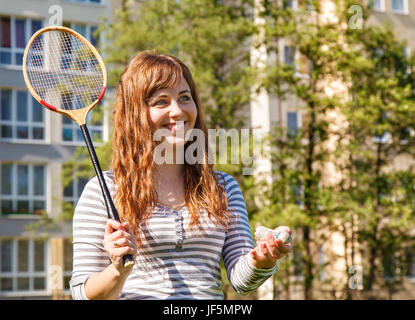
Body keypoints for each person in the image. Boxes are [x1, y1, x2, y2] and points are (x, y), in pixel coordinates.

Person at [70, 51, 293, 300]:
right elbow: (82, 293)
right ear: (134, 114)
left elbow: (242, 281)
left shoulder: (223, 187)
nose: (177, 111)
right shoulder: (104, 191)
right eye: (161, 101)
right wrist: (117, 271)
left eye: (184, 98)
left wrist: (261, 260)